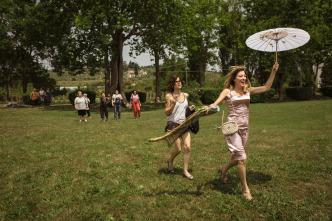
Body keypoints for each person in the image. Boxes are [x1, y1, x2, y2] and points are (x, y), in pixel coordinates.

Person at [211, 62, 279, 200]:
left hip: (245, 128)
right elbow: (215, 104)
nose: (244, 78)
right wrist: (206, 108)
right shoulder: (227, 92)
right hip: (232, 129)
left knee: (237, 158)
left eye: (245, 76)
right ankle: (245, 189)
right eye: (241, 76)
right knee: (242, 158)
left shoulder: (248, 90)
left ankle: (223, 169)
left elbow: (267, 87)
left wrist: (273, 71)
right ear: (234, 78)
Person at [165, 75, 195, 180]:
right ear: (172, 84)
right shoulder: (169, 96)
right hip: (173, 124)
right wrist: (173, 103)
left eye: (180, 81)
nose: (179, 83)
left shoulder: (186, 95)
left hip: (184, 124)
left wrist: (190, 108)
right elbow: (167, 113)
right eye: (176, 81)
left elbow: (184, 109)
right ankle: (170, 160)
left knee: (188, 147)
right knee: (178, 149)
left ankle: (185, 170)